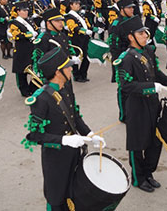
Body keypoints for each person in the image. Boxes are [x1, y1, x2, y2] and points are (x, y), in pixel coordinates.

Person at [22, 46, 105, 211]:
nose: (71, 68)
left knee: (72, 193)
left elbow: (74, 115)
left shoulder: (65, 88)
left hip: (73, 153)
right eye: (68, 66)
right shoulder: (41, 99)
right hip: (56, 159)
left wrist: (89, 134)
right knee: (56, 198)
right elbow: (34, 135)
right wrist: (64, 140)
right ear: (58, 72)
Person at [114, 16, 167, 192]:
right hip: (136, 107)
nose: (145, 35)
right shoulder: (125, 58)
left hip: (152, 104)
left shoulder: (149, 51)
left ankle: (148, 172)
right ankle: (138, 178)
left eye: (145, 32)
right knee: (137, 144)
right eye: (141, 33)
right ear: (131, 37)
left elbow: (156, 73)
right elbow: (126, 86)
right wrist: (151, 87)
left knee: (154, 141)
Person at [32, 7, 78, 82]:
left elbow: (67, 48)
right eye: (57, 21)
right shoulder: (43, 38)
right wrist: (41, 75)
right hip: (53, 76)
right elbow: (38, 58)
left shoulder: (62, 35)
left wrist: (72, 57)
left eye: (61, 21)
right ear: (48, 23)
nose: (61, 23)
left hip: (65, 73)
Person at [8, 1, 39, 97]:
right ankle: (24, 90)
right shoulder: (15, 23)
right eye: (23, 11)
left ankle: (32, 88)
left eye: (26, 10)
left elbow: (36, 29)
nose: (25, 12)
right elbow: (15, 35)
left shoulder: (29, 20)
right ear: (18, 11)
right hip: (22, 50)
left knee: (34, 69)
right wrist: (27, 35)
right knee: (21, 72)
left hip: (32, 48)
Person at [65, 0, 97, 83]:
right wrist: (84, 31)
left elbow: (87, 24)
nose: (78, 5)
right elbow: (73, 27)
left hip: (85, 38)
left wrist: (94, 29)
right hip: (76, 39)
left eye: (78, 4)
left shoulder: (80, 15)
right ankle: (76, 75)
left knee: (87, 56)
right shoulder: (69, 16)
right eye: (76, 4)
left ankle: (83, 74)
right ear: (71, 5)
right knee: (76, 57)